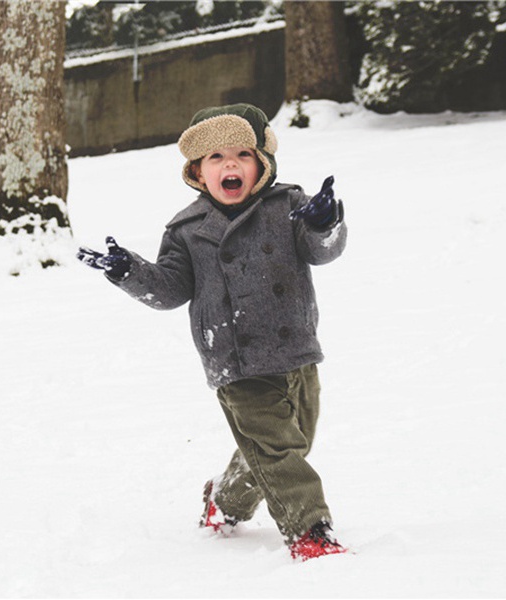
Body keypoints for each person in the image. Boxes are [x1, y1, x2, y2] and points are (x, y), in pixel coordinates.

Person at [76, 103, 348, 562]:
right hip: (235, 359)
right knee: (280, 450)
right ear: (198, 172)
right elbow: (168, 290)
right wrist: (129, 272)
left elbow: (323, 251)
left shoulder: (290, 207)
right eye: (216, 158)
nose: (230, 165)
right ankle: (310, 530)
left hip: (296, 347)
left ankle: (225, 498)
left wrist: (324, 224)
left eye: (242, 154)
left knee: (289, 440)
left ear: (262, 164)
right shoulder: (187, 230)